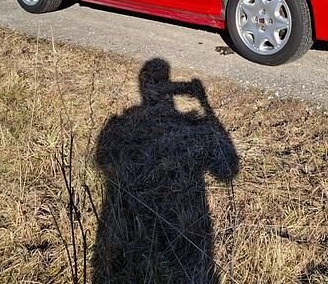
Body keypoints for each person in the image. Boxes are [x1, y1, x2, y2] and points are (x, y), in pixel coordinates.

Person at [92, 58, 238, 283]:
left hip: (132, 224)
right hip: (184, 225)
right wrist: (204, 103)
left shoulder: (126, 124)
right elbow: (227, 171)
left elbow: (102, 159)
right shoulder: (173, 128)